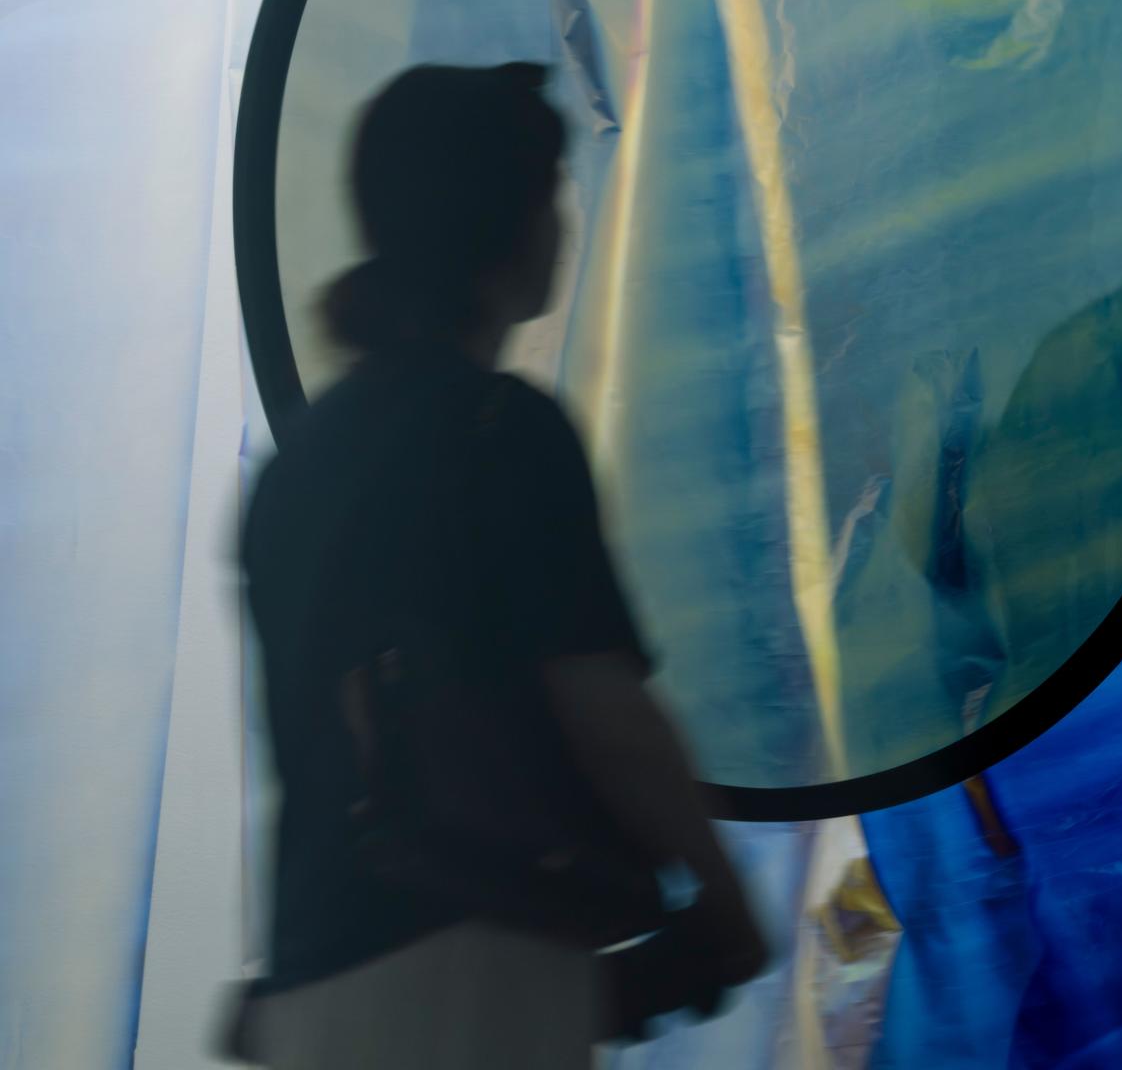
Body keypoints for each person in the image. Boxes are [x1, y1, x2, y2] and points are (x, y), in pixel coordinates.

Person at [226, 63, 766, 1068]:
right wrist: (726, 896)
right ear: (505, 223)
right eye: (552, 189)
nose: (565, 216)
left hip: (308, 990)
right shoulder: (500, 428)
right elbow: (604, 708)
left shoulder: (291, 474)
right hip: (468, 968)